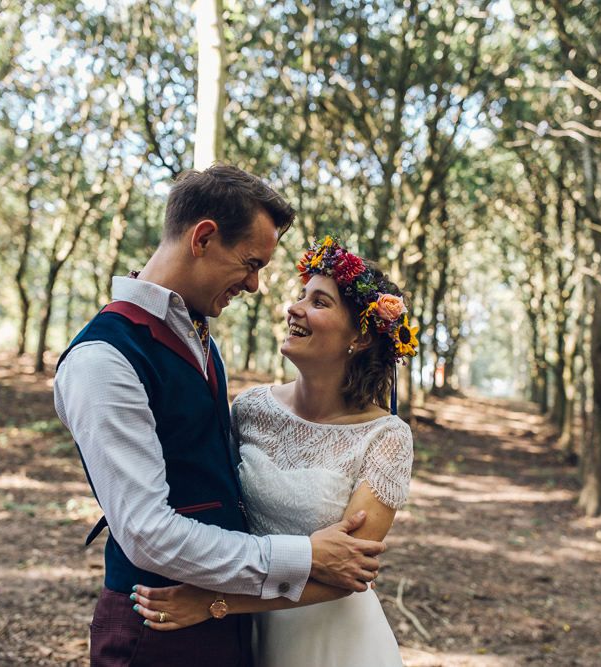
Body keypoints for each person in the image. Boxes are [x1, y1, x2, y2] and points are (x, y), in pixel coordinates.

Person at [54, 168, 387, 667]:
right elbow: (146, 532)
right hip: (159, 624)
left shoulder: (196, 334)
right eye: (251, 264)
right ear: (203, 237)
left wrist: (224, 606)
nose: (255, 286)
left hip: (230, 623)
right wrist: (305, 555)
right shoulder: (104, 359)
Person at [130, 235, 420, 667]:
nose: (294, 308)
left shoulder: (386, 437)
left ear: (359, 337)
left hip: (333, 639)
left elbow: (348, 575)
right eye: (300, 296)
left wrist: (214, 603)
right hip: (245, 637)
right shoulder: (249, 409)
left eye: (319, 302)